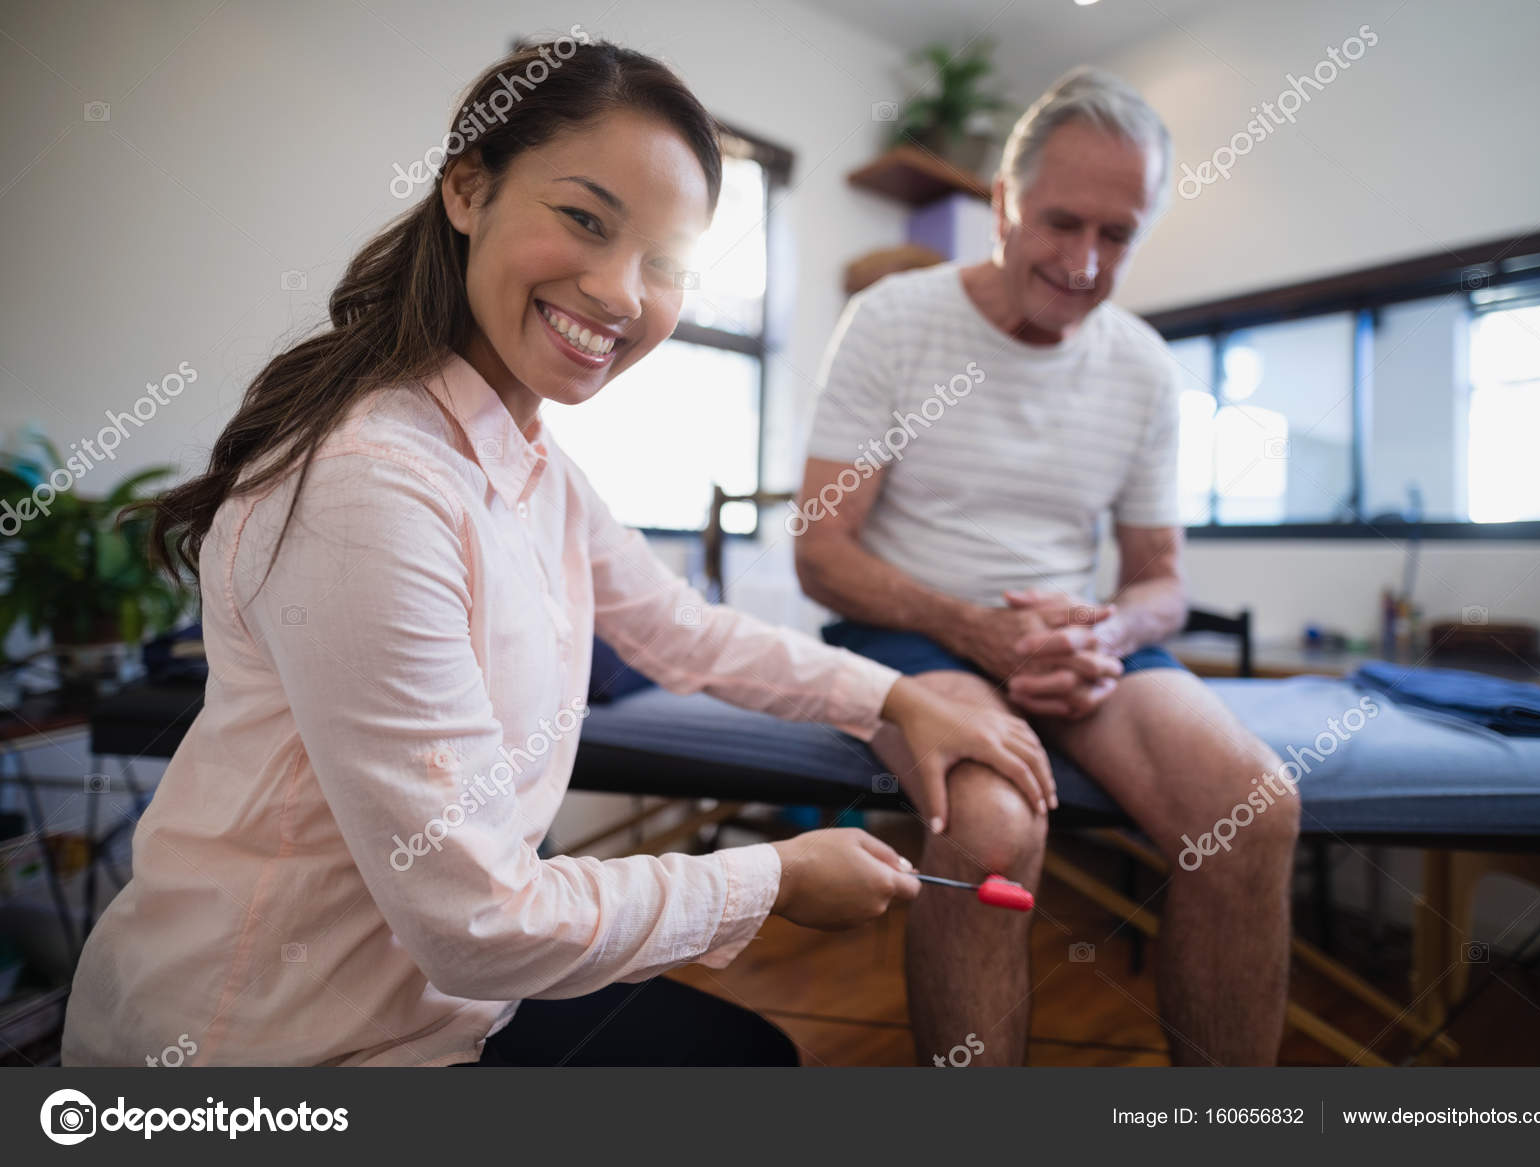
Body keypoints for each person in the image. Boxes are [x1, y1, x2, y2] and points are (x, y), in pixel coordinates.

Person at [61, 39, 1053, 1068]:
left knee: (748, 1056)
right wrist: (778, 877)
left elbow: (686, 632)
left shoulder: (533, 466)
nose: (624, 293)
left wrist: (897, 700)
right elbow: (478, 920)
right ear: (466, 191)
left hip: (446, 1009)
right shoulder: (372, 484)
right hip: (266, 1051)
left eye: (666, 264)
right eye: (584, 219)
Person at [794, 67, 1298, 1067]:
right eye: (1061, 222)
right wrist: (976, 629)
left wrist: (1107, 628)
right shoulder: (893, 319)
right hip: (911, 630)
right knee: (989, 831)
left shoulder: (1145, 366)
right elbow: (820, 550)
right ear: (1002, 205)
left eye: (1117, 235)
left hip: (1076, 641)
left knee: (1252, 813)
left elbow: (1161, 581)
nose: (1082, 260)